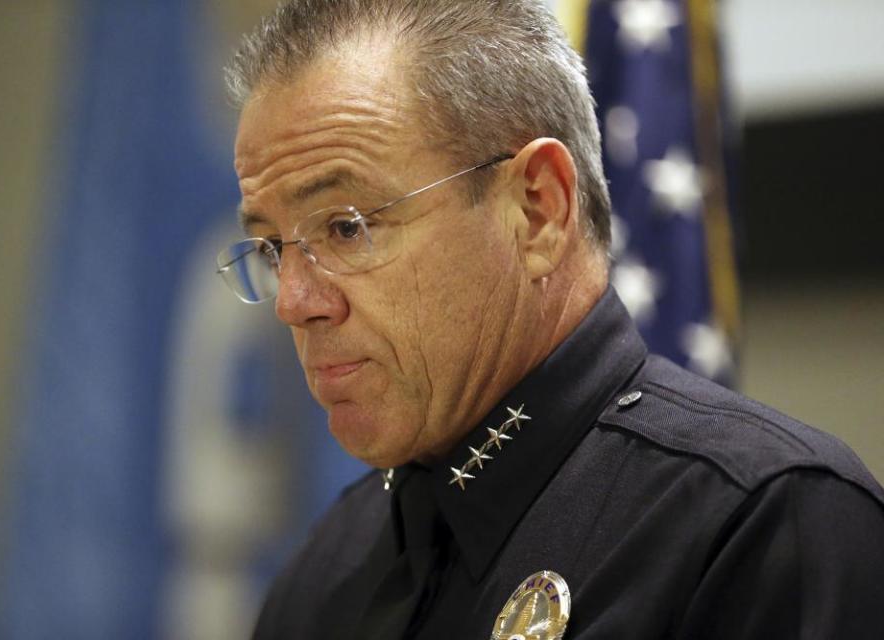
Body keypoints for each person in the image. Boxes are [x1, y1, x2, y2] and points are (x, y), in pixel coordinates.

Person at [216, 1, 884, 637]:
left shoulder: (763, 528)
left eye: (346, 227)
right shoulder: (324, 573)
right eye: (274, 249)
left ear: (537, 210)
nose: (294, 302)